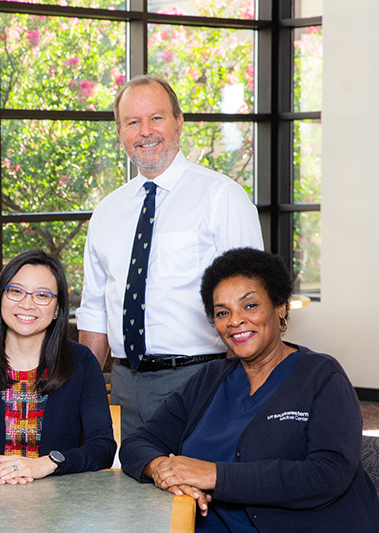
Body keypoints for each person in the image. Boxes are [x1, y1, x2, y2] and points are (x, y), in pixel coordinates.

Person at [120, 247, 379, 531]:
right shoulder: (209, 379)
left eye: (250, 305)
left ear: (281, 306)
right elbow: (137, 443)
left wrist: (213, 475)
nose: (235, 320)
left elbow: (327, 474)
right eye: (222, 312)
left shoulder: (322, 377)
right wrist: (166, 471)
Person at [76, 74, 263, 439]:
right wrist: (81, 389)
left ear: (178, 122)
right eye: (133, 122)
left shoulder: (222, 197)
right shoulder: (107, 211)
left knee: (197, 488)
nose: (146, 131)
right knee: (132, 488)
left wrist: (232, 388)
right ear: (120, 133)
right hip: (124, 386)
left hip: (200, 379)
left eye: (156, 118)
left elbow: (252, 302)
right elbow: (95, 311)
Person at [0, 250, 116, 482]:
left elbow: (103, 447)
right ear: (0, 297)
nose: (27, 304)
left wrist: (46, 464)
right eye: (16, 291)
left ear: (57, 309)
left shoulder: (81, 362)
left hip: (62, 504)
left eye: (42, 295)